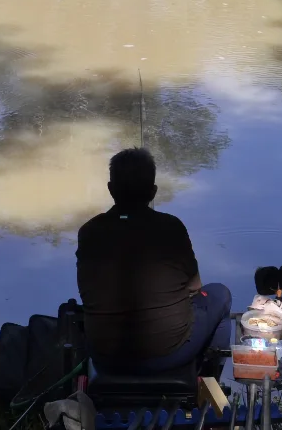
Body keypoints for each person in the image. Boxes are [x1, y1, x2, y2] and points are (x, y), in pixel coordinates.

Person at [76, 147, 232, 374]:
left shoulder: (88, 232)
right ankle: (208, 381)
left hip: (105, 356)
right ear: (153, 191)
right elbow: (196, 286)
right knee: (221, 295)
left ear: (110, 189)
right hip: (169, 354)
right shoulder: (172, 227)